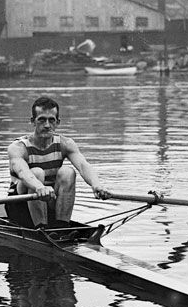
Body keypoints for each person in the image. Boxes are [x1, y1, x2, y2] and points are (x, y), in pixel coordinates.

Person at [6, 96, 110, 228]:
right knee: (36, 172)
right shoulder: (18, 148)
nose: (47, 125)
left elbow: (83, 166)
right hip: (20, 207)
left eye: (51, 120)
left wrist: (97, 185)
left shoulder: (65, 144)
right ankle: (41, 229)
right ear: (33, 121)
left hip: (48, 202)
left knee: (68, 172)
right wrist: (39, 187)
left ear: (57, 122)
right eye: (42, 120)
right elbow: (23, 172)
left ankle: (61, 227)